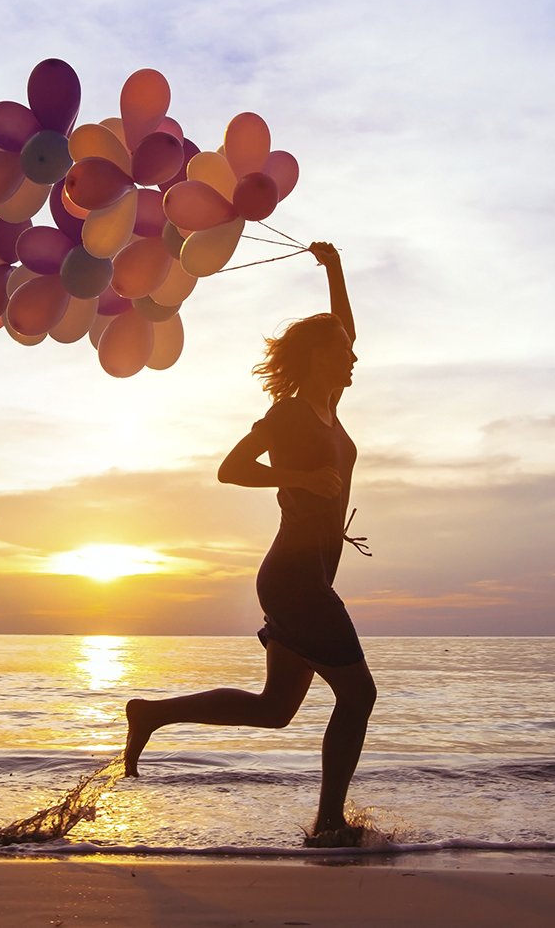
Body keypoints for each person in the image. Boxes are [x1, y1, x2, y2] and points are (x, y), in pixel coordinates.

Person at [123, 241, 374, 846]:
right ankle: (329, 825)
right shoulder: (289, 415)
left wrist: (334, 268)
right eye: (340, 352)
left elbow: (348, 329)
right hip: (294, 579)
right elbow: (231, 468)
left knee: (275, 709)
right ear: (317, 358)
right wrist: (299, 476)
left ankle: (150, 713)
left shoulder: (328, 406)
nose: (352, 360)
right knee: (359, 695)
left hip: (310, 574)